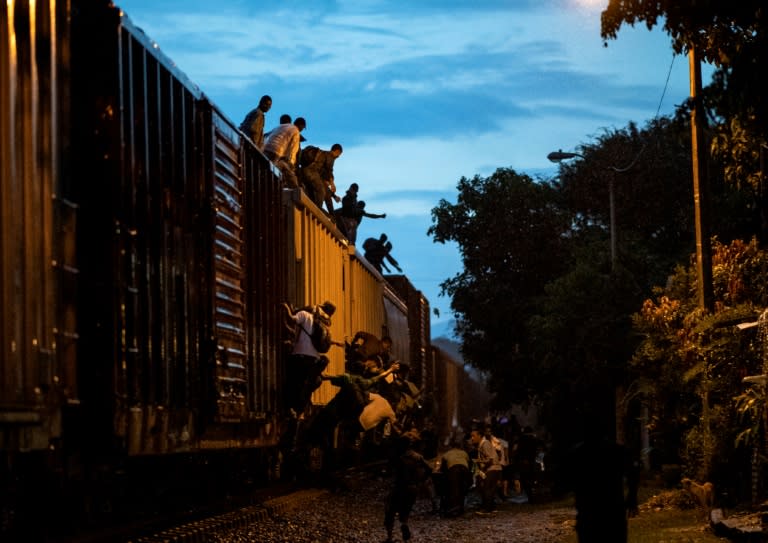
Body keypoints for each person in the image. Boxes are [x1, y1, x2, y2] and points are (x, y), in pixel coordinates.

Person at [561, 410, 640, 543]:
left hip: (588, 512)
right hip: (613, 511)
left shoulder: (577, 454)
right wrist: (632, 497)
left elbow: (565, 481)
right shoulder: (617, 451)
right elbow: (633, 472)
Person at [281, 300, 342, 416]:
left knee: (293, 381)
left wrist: (286, 308)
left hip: (300, 354)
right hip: (313, 358)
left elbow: (291, 318)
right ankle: (299, 411)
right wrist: (336, 343)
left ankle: (289, 407)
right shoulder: (324, 325)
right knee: (305, 384)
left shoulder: (305, 315)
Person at [384, 429, 433, 543]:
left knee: (390, 510)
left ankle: (390, 536)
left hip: (399, 487)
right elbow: (430, 468)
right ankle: (404, 525)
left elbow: (390, 471)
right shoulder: (418, 457)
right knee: (405, 511)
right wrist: (421, 480)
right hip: (413, 488)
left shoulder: (399, 457)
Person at [298, 143, 343, 215]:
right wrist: (332, 184)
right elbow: (329, 171)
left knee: (318, 191)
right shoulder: (330, 156)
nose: (338, 157)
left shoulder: (322, 154)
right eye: (338, 155)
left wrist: (334, 196)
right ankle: (316, 213)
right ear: (337, 151)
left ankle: (314, 209)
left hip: (303, 171)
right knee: (321, 191)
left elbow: (325, 186)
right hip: (311, 172)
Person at [263, 117, 306, 188]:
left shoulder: (282, 126)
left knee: (265, 169)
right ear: (300, 125)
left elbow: (266, 135)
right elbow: (293, 148)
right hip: (276, 151)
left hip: (266, 148)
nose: (302, 130)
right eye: (303, 128)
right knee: (274, 172)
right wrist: (291, 163)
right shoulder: (296, 131)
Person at [470, 427, 502, 513]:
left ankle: (486, 509)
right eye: (471, 436)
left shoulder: (485, 444)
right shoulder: (482, 444)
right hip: (492, 468)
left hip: (493, 468)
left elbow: (490, 459)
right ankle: (491, 508)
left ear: (480, 436)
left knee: (486, 488)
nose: (472, 438)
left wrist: (477, 460)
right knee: (488, 489)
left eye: (473, 436)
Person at [438, 437, 472, 517]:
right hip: (464, 470)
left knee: (454, 489)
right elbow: (469, 463)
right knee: (462, 489)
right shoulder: (464, 453)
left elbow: (443, 468)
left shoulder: (446, 454)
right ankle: (460, 508)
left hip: (453, 470)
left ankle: (454, 509)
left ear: (451, 447)